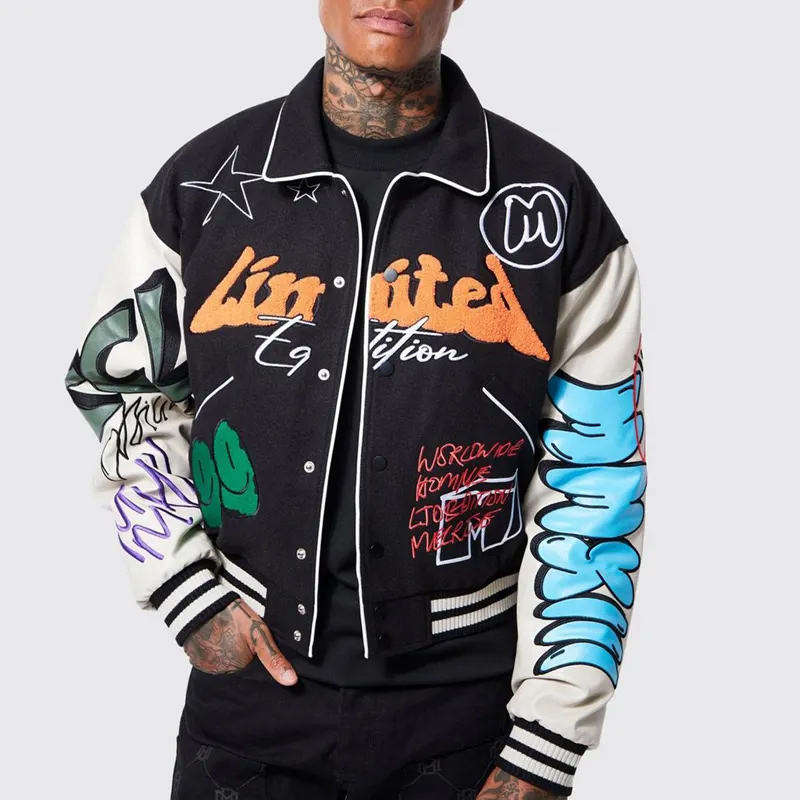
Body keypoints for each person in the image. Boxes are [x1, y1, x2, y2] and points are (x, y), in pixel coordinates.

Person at [65, 1, 647, 797]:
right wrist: (185, 592)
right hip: (250, 705)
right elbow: (119, 385)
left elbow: (597, 471)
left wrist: (549, 741)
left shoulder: (554, 201)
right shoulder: (203, 184)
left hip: (468, 711)